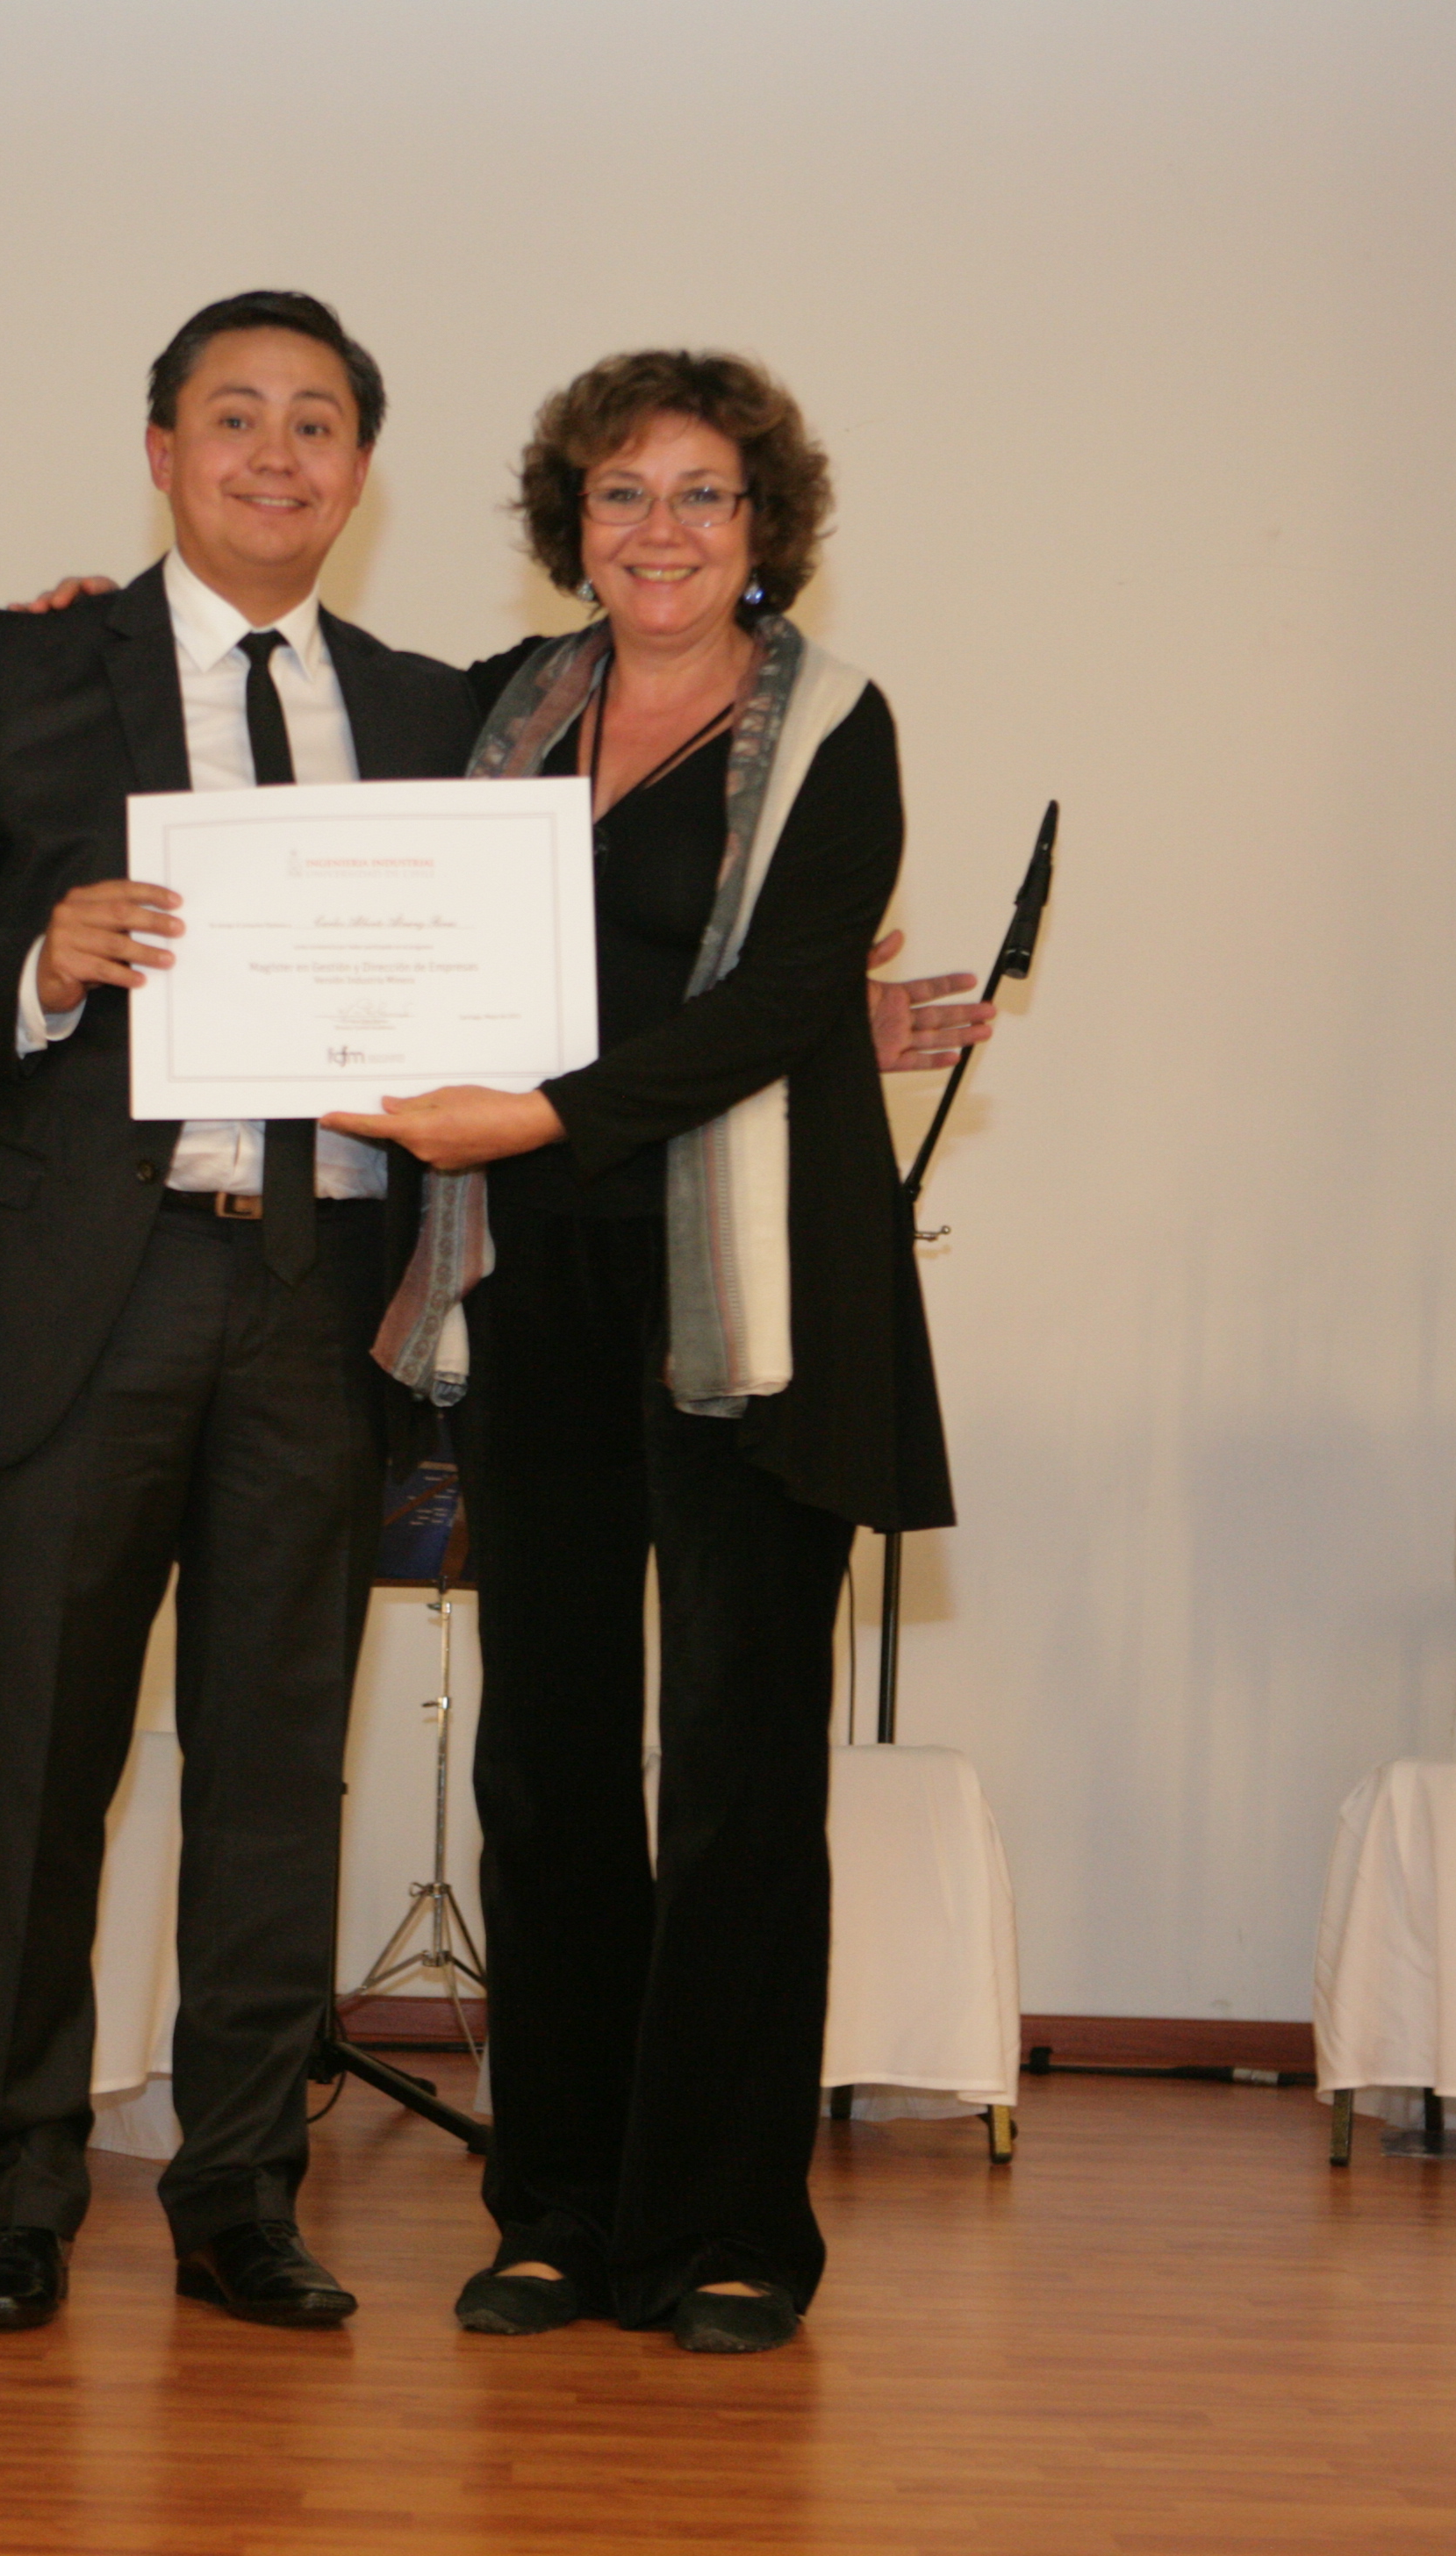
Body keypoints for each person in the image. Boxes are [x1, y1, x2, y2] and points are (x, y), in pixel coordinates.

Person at [0, 291, 480, 2333]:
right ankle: (14, 2192)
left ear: (362, 471)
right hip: (79, 1299)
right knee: (43, 1767)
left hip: (324, 1295)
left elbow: (559, 946)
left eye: (318, 422)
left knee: (277, 1780)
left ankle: (241, 2194)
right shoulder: (24, 664)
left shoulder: (436, 711)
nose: (277, 454)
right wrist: (33, 959)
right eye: (234, 416)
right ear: (165, 451)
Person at [327, 349, 953, 2357]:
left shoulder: (838, 725)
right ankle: (559, 2211)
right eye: (621, 492)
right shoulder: (497, 713)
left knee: (745, 1771)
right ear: (570, 522)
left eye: (701, 494)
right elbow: (308, 760)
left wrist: (541, 1112)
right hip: (533, 1284)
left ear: (764, 529)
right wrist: (83, 616)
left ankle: (729, 2227)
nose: (658, 529)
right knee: (549, 1757)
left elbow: (783, 1001)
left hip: (755, 1306)